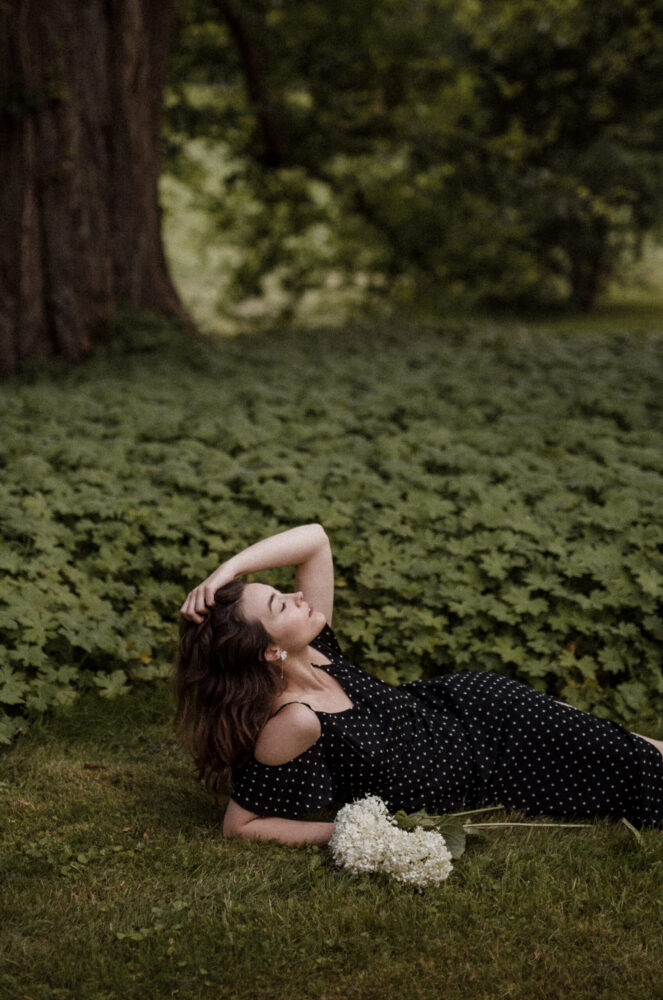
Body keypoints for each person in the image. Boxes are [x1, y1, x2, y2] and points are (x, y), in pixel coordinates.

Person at [174, 524, 663, 844]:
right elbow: (240, 825)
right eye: (280, 605)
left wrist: (230, 570)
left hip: (472, 712)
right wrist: (350, 830)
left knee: (626, 753)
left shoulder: (317, 650)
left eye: (283, 591)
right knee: (634, 763)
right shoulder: (295, 719)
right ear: (267, 651)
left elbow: (315, 539)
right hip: (483, 769)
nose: (298, 595)